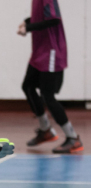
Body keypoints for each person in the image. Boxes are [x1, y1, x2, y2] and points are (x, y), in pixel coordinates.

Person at [18, 0, 83, 154]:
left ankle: (72, 138)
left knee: (48, 96)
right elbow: (42, 16)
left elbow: (53, 20)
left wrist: (29, 27)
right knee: (28, 87)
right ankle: (45, 130)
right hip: (40, 51)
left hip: (51, 51)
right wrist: (27, 21)